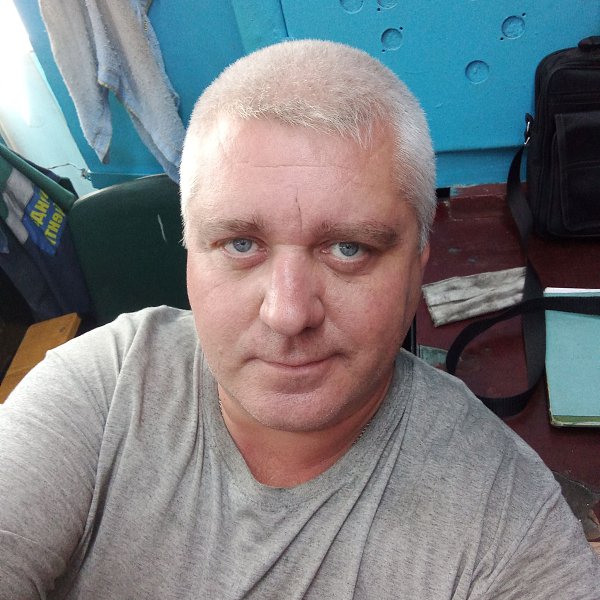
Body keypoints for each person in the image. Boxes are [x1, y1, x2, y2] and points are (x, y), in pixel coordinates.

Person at [0, 39, 598, 599]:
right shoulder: (103, 389)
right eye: (240, 244)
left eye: (348, 249)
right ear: (189, 256)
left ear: (419, 266)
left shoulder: (508, 529)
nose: (288, 314)